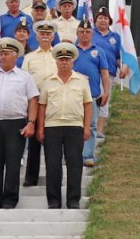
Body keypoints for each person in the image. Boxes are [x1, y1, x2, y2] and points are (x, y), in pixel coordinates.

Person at [0, 38, 39, 209]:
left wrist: (31, 123)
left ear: (15, 56)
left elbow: (33, 100)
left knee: (13, 163)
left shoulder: (25, 77)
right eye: (1, 53)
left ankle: (10, 199)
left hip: (15, 124)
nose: (2, 57)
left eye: (6, 54)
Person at [36, 43, 93, 209]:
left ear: (73, 62)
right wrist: (40, 128)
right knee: (53, 165)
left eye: (67, 60)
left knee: (74, 164)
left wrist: (87, 127)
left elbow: (88, 104)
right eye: (61, 60)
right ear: (56, 62)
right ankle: (53, 200)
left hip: (75, 126)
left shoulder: (82, 81)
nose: (64, 63)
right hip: (52, 127)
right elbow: (42, 105)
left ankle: (73, 200)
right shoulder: (48, 82)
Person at [20, 21, 61, 187]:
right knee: (35, 142)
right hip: (36, 102)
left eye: (48, 34)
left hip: (55, 102)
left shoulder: (59, 55)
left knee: (53, 142)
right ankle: (31, 177)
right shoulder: (29, 58)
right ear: (36, 36)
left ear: (53, 36)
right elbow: (23, 81)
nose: (45, 36)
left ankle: (53, 177)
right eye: (42, 34)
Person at [74, 19, 111, 167]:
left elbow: (104, 73)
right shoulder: (71, 51)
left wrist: (106, 92)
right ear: (77, 33)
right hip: (74, 96)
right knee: (74, 126)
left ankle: (88, 156)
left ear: (92, 33)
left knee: (91, 126)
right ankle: (74, 155)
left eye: (87, 32)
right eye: (81, 32)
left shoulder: (99, 51)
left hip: (92, 95)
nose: (84, 34)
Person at [93, 6, 126, 137]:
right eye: (100, 18)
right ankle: (89, 128)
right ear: (95, 20)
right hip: (92, 73)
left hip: (108, 74)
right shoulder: (89, 33)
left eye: (105, 18)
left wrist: (124, 67)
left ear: (110, 21)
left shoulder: (115, 37)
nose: (102, 20)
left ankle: (99, 130)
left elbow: (119, 57)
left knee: (104, 100)